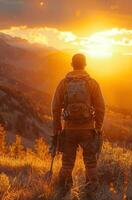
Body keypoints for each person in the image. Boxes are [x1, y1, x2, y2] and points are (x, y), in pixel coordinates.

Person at [51, 53, 105, 199]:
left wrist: (57, 128)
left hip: (68, 129)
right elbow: (101, 107)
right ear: (85, 64)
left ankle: (62, 193)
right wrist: (98, 128)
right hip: (88, 129)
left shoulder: (63, 83)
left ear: (71, 64)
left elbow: (55, 107)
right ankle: (91, 192)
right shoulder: (92, 83)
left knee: (67, 164)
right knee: (90, 163)